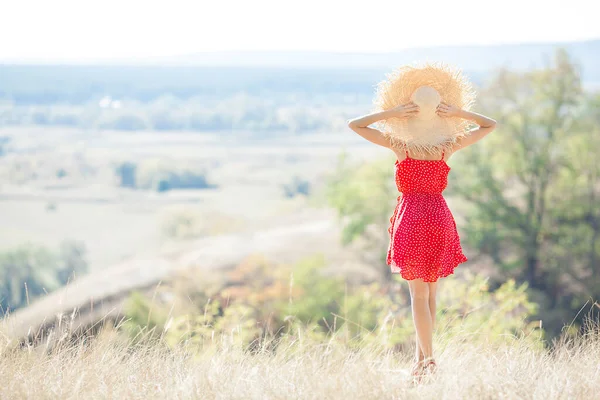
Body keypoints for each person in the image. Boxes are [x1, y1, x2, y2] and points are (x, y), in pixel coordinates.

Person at [347, 72, 497, 383]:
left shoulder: (399, 145)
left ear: (409, 112)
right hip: (439, 217)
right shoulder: (447, 146)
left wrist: (392, 113)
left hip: (413, 218)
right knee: (429, 296)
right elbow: (489, 124)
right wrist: (457, 113)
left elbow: (356, 124)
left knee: (418, 296)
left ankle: (428, 363)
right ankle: (421, 361)